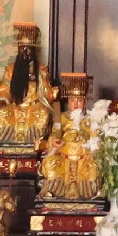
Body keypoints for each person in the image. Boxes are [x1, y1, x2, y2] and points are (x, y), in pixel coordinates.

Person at [36, 73, 104, 201]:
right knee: (50, 164)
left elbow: (96, 139)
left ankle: (92, 193)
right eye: (72, 100)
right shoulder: (61, 118)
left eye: (79, 101)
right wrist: (54, 142)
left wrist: (93, 151)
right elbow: (54, 134)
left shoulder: (90, 119)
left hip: (84, 157)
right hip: (64, 157)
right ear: (68, 102)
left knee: (94, 167)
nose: (76, 104)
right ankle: (52, 191)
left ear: (84, 102)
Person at [0, 23, 53, 153]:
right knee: (1, 115)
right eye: (23, 48)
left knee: (43, 115)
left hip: (34, 106)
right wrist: (3, 99)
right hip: (14, 105)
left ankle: (36, 144)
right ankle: (4, 145)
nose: (26, 52)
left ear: (34, 50)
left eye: (29, 48)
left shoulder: (41, 69)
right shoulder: (11, 69)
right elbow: (5, 87)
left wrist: (41, 79)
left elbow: (47, 93)